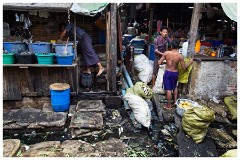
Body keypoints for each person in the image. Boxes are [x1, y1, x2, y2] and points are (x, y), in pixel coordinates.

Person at [158, 39, 193, 110]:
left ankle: (169, 106)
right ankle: (175, 102)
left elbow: (159, 62)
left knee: (168, 89)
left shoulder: (166, 53)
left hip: (168, 72)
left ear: (171, 46)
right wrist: (190, 62)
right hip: (175, 73)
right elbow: (184, 67)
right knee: (175, 87)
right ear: (178, 47)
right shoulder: (180, 56)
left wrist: (166, 62)